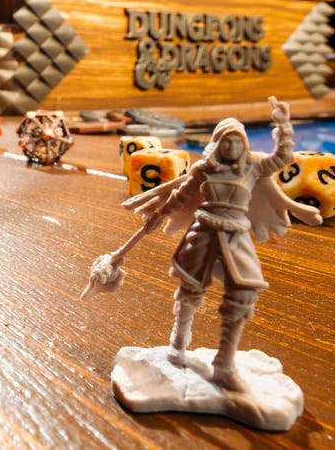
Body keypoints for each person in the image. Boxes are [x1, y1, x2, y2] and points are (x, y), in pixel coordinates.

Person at [83, 97, 321, 392]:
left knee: (244, 294)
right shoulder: (205, 169)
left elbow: (283, 157)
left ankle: (224, 363)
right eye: (226, 141)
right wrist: (159, 214)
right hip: (203, 233)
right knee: (190, 290)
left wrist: (283, 125)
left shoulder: (254, 166)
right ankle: (178, 344)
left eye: (237, 142)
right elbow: (180, 197)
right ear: (217, 142)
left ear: (244, 144)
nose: (231, 147)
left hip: (236, 237)